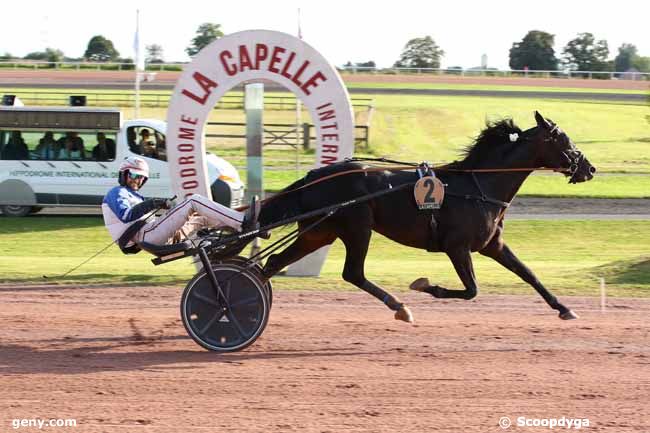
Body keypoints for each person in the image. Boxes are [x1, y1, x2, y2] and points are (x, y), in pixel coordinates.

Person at [102, 156, 263, 252]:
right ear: (124, 174)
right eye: (134, 175)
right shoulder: (116, 193)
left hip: (156, 235)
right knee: (193, 200)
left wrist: (163, 206)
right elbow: (126, 215)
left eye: (141, 177)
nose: (137, 180)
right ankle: (243, 222)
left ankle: (247, 231)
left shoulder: (135, 196)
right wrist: (154, 203)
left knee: (201, 217)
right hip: (147, 236)